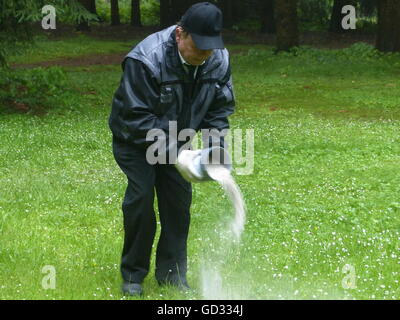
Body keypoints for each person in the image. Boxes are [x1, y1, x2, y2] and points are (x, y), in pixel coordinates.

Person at [108, 2, 235, 296]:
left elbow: (218, 111)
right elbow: (136, 118)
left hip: (178, 141)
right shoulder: (146, 59)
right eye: (199, 47)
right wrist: (178, 153)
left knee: (177, 205)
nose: (205, 55)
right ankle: (133, 276)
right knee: (140, 200)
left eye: (210, 48)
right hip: (135, 139)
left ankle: (172, 276)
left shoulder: (217, 60)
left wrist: (215, 150)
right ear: (180, 34)